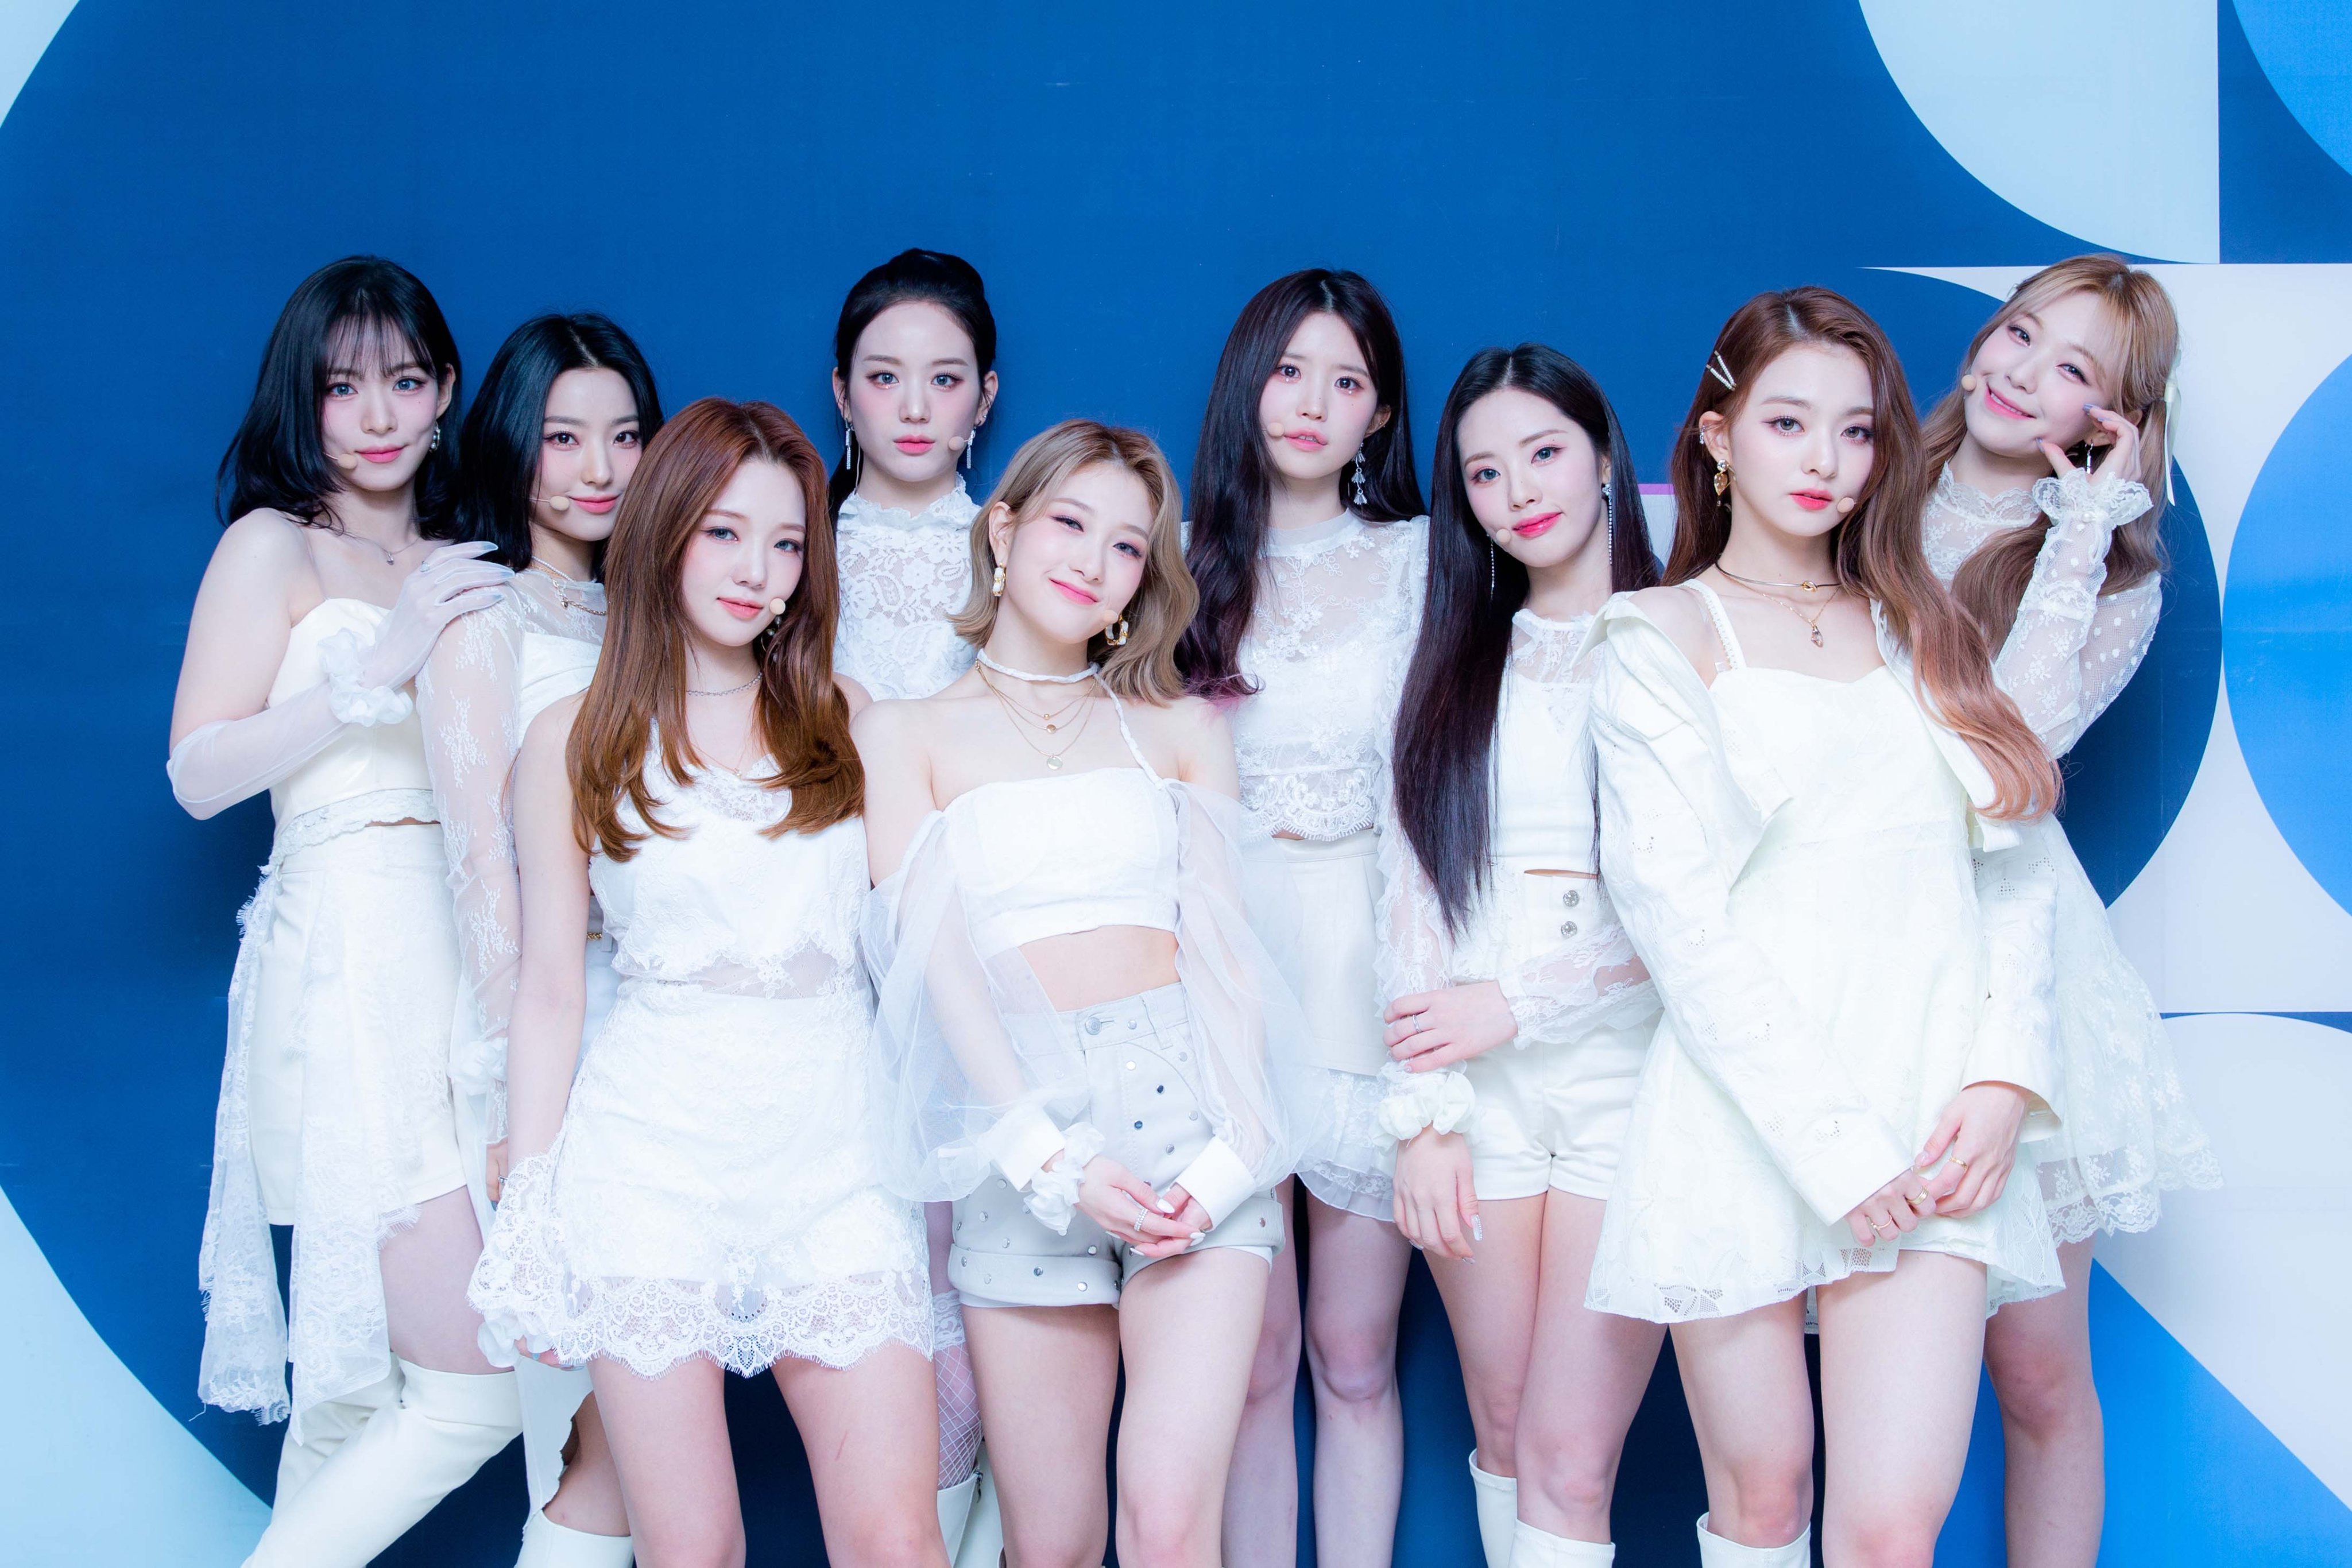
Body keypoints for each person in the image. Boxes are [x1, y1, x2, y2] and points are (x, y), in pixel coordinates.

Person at [1584, 287, 2065, 1567]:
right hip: (1746, 1113)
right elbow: (1678, 924)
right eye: (1787, 422)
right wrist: (1837, 1151)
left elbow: (2014, 871)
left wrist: (2003, 1079)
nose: (1826, 460)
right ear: (1717, 437)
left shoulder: (1923, 627)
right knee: (1762, 1503)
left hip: (1931, 1102)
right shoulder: (1653, 635)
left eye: (1856, 431)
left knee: (1889, 1531)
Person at [469, 397, 943, 1567]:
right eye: (726, 533)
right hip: (649, 1159)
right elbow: (550, 991)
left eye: (786, 543)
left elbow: (920, 951)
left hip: (837, 1151)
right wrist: (531, 1212)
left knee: (896, 1540)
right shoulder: (572, 736)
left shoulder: (850, 716)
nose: (757, 571)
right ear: (666, 528)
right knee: (693, 1550)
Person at [860, 419, 1316, 1568]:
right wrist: (1048, 1158)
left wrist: (1232, 1156)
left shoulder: (1179, 728)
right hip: (1021, 1138)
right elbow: (935, 968)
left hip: (1193, 1131)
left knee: (1166, 1529)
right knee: (1052, 1543)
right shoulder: (904, 735)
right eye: (1070, 523)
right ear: (1003, 530)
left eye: (1126, 545)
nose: (1094, 561)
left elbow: (1225, 957)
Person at [168, 255, 519, 1567]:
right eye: (342, 387)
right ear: (301, 399)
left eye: (406, 382)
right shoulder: (274, 544)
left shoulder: (470, 559)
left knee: (358, 1394)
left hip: (470, 959)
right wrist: (377, 667)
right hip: (346, 961)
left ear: (445, 393)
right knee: (466, 1386)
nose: (377, 416)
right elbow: (198, 772)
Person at [1919, 254, 2219, 1568]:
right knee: (1861, 1360)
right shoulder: (1853, 483)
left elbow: (2010, 757)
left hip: (2015, 960)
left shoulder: (2110, 577)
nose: (2019, 372)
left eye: (2070, 371)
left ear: (2115, 420)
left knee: (2036, 1370)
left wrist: (2082, 527)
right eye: (2018, 333)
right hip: (1850, 944)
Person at [1376, 345, 1664, 1567]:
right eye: (1483, 473)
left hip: (1633, 1081)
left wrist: (1518, 1003)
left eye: (1542, 453)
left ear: (1602, 457)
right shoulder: (1453, 654)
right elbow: (1409, 890)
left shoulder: (1681, 636)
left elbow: (1706, 907)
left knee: (1570, 1455)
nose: (1517, 491)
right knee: (1501, 1428)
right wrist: (1426, 1114)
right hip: (1475, 1093)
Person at [1178, 269, 1426, 1568]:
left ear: (1381, 412)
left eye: (1346, 380)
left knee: (1352, 1352)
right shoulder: (1171, 563)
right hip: (1218, 966)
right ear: (1247, 382)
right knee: (1252, 1358)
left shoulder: (1421, 560)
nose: (1313, 403)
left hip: (1368, 962)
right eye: (1288, 371)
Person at [418, 311, 663, 1565]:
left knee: (638, 1425)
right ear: (512, 442)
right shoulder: (484, 616)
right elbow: (481, 874)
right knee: (572, 1428)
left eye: (626, 435)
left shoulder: (654, 619)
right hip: (545, 1037)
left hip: (660, 1037)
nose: (600, 468)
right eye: (564, 438)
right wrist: (526, 1115)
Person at [822, 247, 1004, 1555]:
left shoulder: (1024, 546)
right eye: (884, 377)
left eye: (945, 379)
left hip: (987, 942)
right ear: (841, 391)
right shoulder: (787, 549)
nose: (914, 406)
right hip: (830, 953)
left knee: (1000, 1292)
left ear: (985, 396)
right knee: (888, 1289)